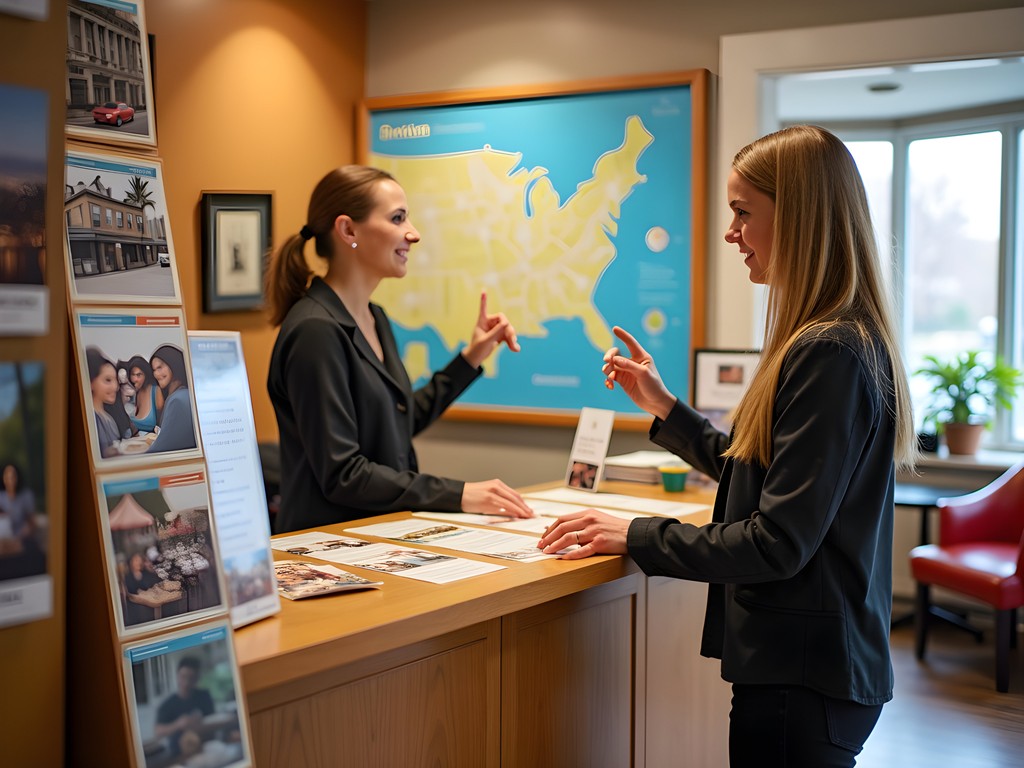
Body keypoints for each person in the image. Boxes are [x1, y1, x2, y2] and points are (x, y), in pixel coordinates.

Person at [538, 125, 918, 767]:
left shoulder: (828, 351)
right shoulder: (828, 339)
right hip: (810, 669)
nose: (730, 232)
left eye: (743, 213)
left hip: (805, 678)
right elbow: (762, 472)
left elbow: (777, 540)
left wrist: (634, 533)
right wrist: (665, 407)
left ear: (796, 219)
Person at [266, 165, 534, 533]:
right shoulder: (315, 330)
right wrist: (459, 494)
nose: (414, 233)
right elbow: (344, 474)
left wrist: (471, 358)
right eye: (397, 218)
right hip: (327, 549)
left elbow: (400, 419)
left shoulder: (375, 317)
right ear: (348, 230)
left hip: (379, 537)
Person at [154, 656, 215, 758]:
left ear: (197, 678)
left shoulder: (204, 696)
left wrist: (200, 722)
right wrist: (178, 724)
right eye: (183, 676)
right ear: (177, 676)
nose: (186, 682)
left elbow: (214, 720)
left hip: (206, 747)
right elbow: (158, 731)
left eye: (191, 678)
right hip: (180, 754)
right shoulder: (167, 705)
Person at [147, 344, 198, 454]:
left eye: (160, 367)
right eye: (154, 370)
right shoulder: (183, 394)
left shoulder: (177, 400)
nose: (156, 374)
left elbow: (161, 449)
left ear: (173, 364)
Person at [87, 346, 127, 458]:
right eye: (108, 380)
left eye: (116, 380)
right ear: (90, 382)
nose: (115, 387)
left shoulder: (108, 418)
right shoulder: (91, 419)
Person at [124, 354, 164, 433]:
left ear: (146, 374)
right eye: (133, 375)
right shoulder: (134, 393)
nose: (135, 379)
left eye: (139, 375)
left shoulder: (155, 391)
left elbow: (163, 425)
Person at [122, 551, 161, 625]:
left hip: (149, 609)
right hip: (135, 609)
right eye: (136, 560)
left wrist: (151, 570)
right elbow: (131, 591)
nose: (138, 563)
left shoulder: (146, 573)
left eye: (140, 560)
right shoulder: (127, 576)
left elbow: (156, 582)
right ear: (131, 562)